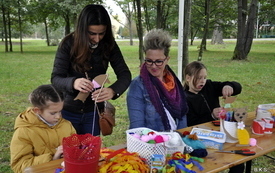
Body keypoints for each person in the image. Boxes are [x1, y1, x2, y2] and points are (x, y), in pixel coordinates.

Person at [51, 4, 131, 135]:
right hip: (68, 111)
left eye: (102, 33)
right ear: (83, 29)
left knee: (92, 152)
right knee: (71, 152)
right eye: (92, 33)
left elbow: (125, 74)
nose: (97, 38)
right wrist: (73, 83)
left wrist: (113, 90)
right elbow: (56, 78)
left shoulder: (109, 44)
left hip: (94, 113)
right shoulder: (68, 43)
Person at [184, 61, 244, 173]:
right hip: (202, 140)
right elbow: (192, 123)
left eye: (204, 77)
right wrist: (211, 115)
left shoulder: (209, 86)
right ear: (188, 78)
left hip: (222, 133)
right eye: (199, 77)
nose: (203, 81)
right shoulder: (185, 98)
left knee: (239, 161)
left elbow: (238, 87)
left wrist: (229, 86)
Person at [127, 29, 188, 131]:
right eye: (149, 61)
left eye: (159, 61)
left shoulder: (174, 82)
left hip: (177, 141)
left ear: (167, 59)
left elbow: (182, 114)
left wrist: (181, 140)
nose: (153, 66)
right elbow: (137, 129)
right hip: (152, 144)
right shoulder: (137, 86)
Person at [10, 84, 76, 173]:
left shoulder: (66, 125)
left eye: (60, 111)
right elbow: (19, 166)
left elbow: (76, 146)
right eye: (53, 113)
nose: (58, 117)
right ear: (37, 110)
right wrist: (53, 158)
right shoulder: (24, 131)